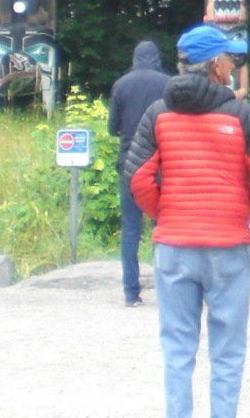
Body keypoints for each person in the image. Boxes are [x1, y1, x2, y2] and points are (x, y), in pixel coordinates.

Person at [124, 25, 250, 418]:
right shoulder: (242, 114)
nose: (232, 66)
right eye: (230, 59)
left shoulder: (158, 114)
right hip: (228, 248)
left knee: (178, 348)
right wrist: (245, 212)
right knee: (228, 351)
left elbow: (138, 177)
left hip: (175, 247)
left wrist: (164, 213)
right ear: (216, 66)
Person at [108, 38, 172, 306]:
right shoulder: (168, 83)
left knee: (131, 229)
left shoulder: (121, 85)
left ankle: (131, 292)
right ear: (156, 58)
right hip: (161, 163)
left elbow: (112, 128)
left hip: (130, 163)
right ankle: (168, 288)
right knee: (164, 228)